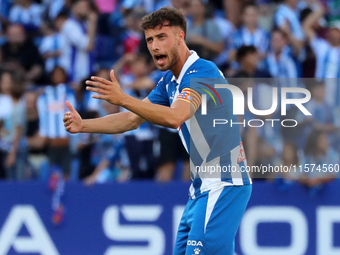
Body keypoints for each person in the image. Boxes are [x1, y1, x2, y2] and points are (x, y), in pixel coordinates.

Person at [63, 7, 251, 255]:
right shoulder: (170, 82)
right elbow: (132, 120)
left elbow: (175, 117)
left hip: (224, 182)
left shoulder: (202, 72)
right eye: (150, 39)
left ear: (181, 37)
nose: (154, 46)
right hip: (201, 186)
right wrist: (83, 125)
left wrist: (123, 98)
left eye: (162, 37)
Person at [57, 0, 98, 84]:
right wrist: (93, 22)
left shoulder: (85, 24)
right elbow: (88, 46)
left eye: (87, 7)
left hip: (87, 72)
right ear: (74, 7)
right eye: (84, 7)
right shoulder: (69, 25)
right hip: (74, 75)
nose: (87, 10)